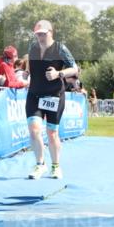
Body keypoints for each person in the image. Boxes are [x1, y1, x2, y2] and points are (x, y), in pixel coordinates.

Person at [25, 20, 77, 180]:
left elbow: (74, 68)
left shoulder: (60, 48)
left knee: (52, 133)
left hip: (54, 95)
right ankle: (40, 164)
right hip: (34, 94)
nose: (40, 36)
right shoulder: (32, 48)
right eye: (37, 34)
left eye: (43, 33)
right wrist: (26, 73)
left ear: (50, 32)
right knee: (34, 131)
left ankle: (55, 166)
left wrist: (59, 73)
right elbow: (30, 67)